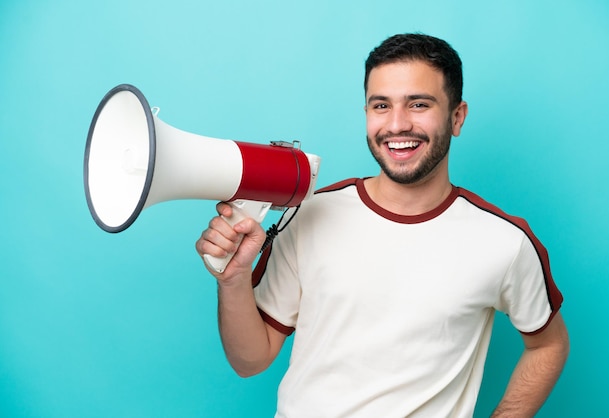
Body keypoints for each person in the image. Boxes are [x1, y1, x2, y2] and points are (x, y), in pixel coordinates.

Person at [196, 33, 570, 418]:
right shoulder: (309, 214)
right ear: (366, 114)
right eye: (381, 105)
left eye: (419, 104)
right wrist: (233, 280)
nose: (397, 124)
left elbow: (549, 344)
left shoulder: (504, 242)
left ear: (457, 117)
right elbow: (249, 361)